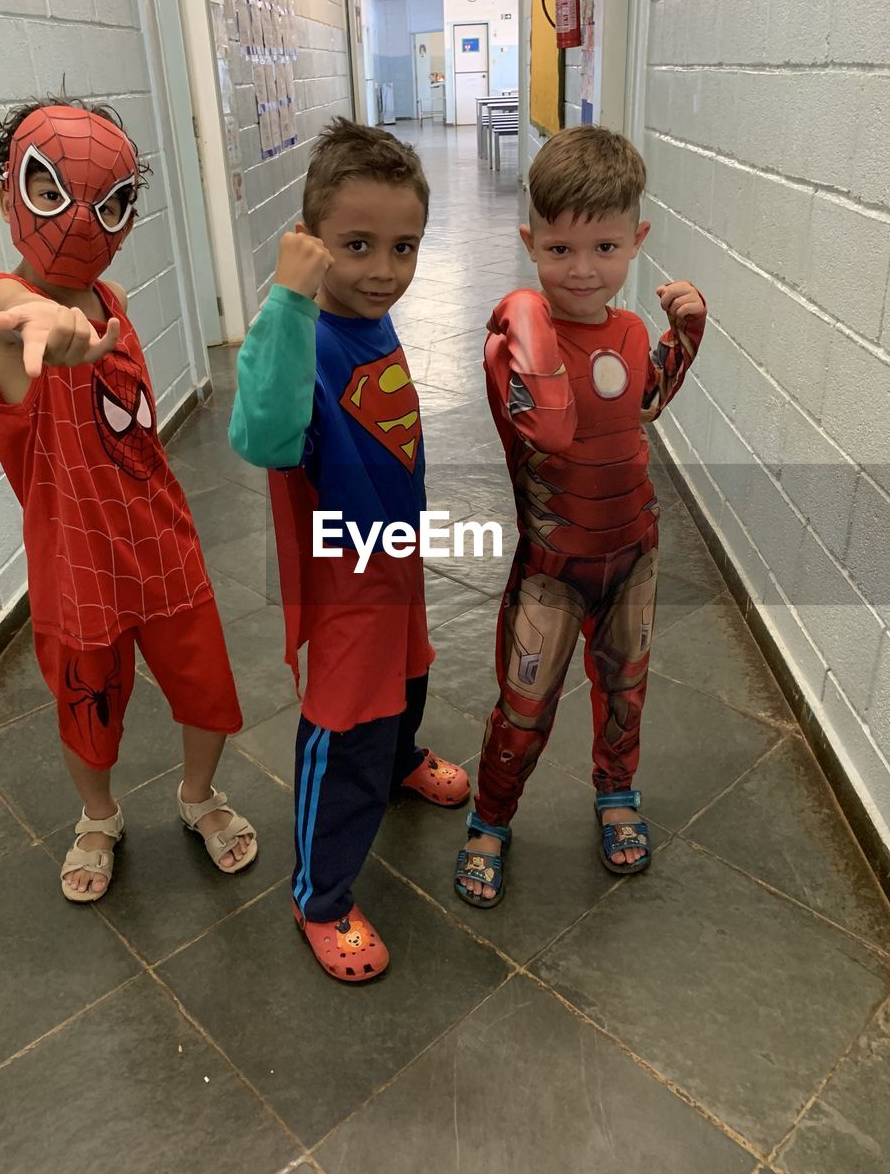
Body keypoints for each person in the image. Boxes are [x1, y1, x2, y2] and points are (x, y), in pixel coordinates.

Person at [0, 98, 256, 904]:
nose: (82, 223)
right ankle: (97, 818)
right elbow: (5, 309)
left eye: (110, 202)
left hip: (163, 545)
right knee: (87, 710)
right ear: (9, 199)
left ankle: (198, 796)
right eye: (51, 192)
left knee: (207, 689)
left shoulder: (115, 304)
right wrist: (30, 317)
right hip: (76, 566)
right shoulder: (7, 312)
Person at [229, 117, 469, 981]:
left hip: (391, 557)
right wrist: (289, 300)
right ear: (310, 242)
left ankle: (401, 758)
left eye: (404, 247)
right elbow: (262, 433)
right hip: (343, 585)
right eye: (357, 245)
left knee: (410, 680)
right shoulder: (299, 335)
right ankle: (319, 894)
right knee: (346, 731)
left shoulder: (372, 317)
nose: (384, 272)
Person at [454, 125, 707, 906]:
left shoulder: (630, 332)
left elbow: (648, 400)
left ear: (637, 240)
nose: (583, 270)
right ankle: (490, 820)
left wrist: (686, 335)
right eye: (559, 251)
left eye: (604, 247)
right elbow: (551, 428)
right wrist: (527, 317)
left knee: (625, 689)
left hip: (633, 550)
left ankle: (616, 793)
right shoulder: (511, 348)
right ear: (530, 242)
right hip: (553, 567)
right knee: (524, 710)